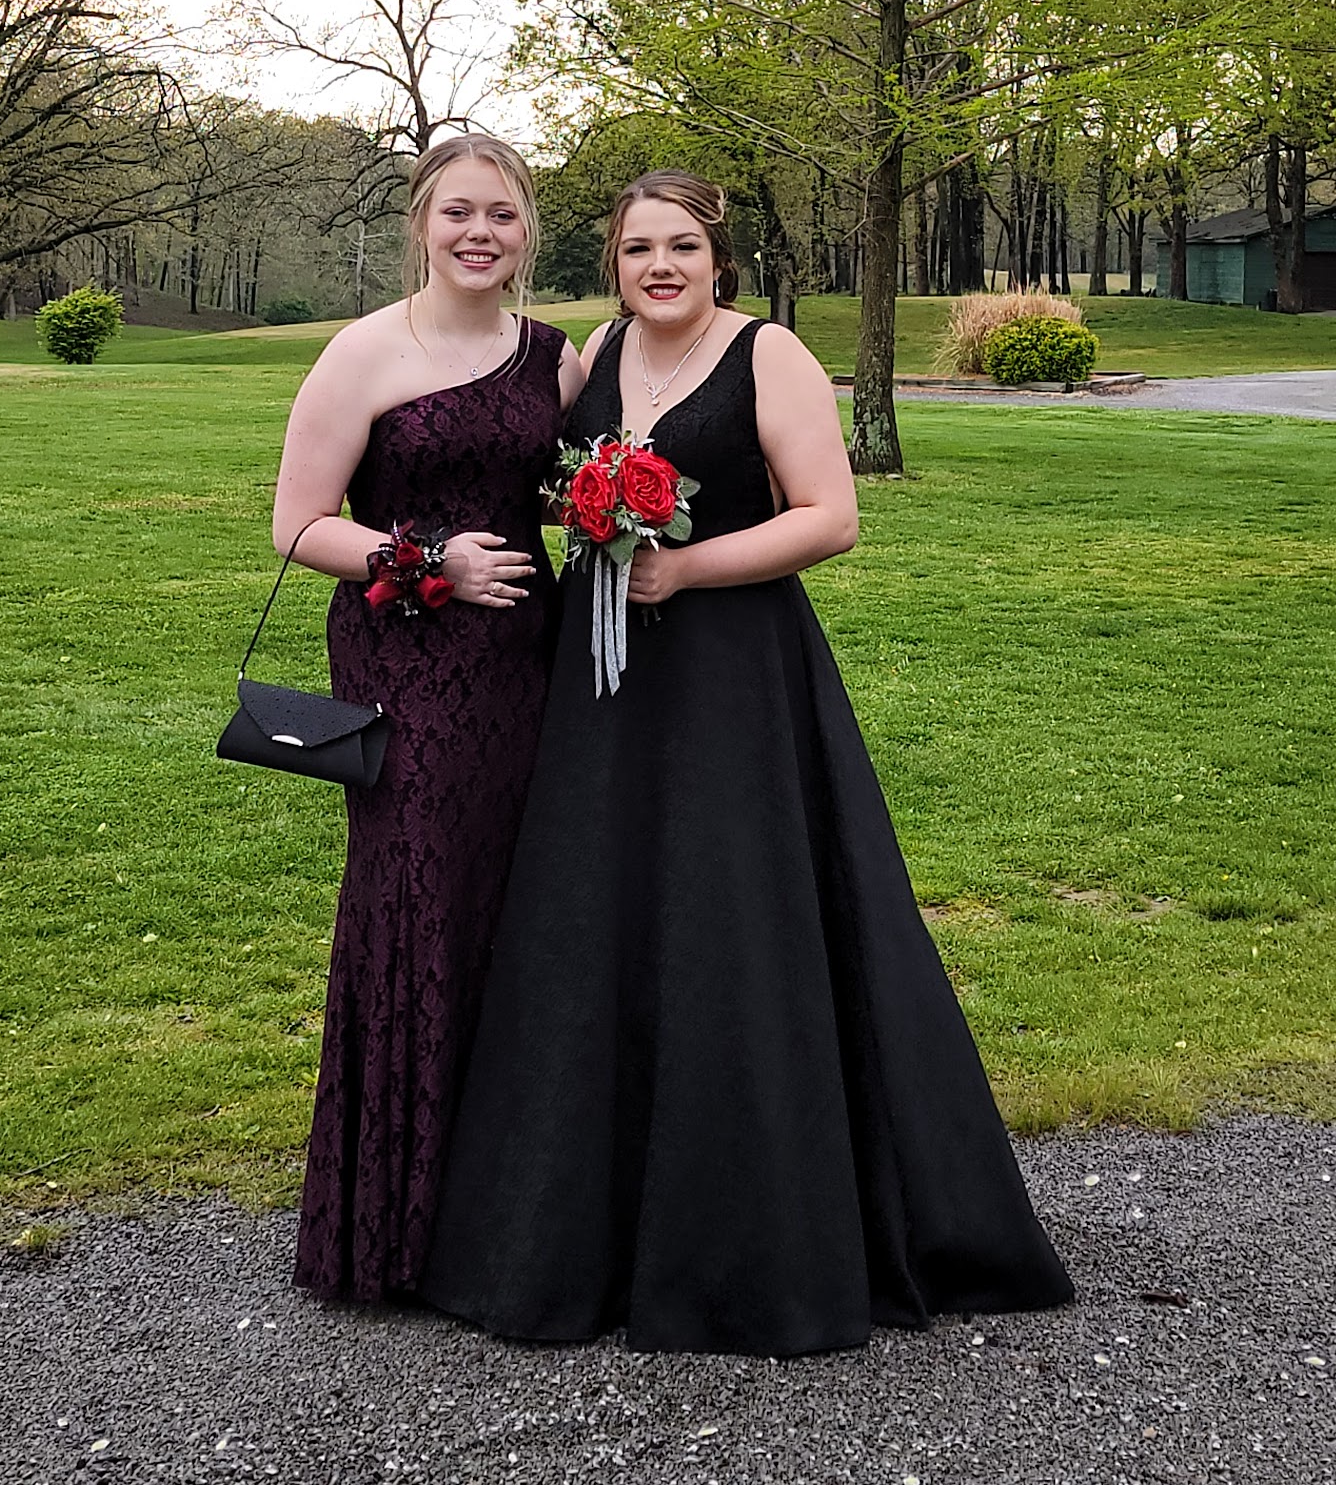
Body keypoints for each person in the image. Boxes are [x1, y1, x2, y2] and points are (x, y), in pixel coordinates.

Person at [420, 169, 1072, 1356]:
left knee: (733, 919)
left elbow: (829, 515)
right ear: (614, 263)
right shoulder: (597, 355)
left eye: (681, 246)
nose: (659, 266)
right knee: (597, 916)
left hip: (735, 679)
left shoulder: (768, 353)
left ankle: (756, 1222)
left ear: (719, 257)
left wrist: (687, 565)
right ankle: (581, 1225)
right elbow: (542, 480)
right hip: (603, 687)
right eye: (637, 249)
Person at [270, 131, 583, 1302]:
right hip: (404, 665)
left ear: (526, 228)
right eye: (459, 212)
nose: (479, 233)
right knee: (416, 902)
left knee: (520, 906)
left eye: (501, 214)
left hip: (528, 667)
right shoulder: (363, 352)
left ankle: (511, 1213)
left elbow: (580, 487)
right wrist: (426, 559)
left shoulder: (551, 358)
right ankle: (391, 1226)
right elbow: (299, 523)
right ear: (421, 222)